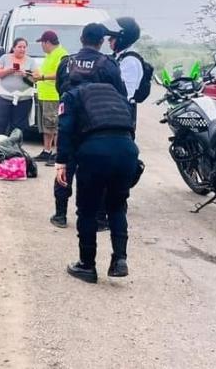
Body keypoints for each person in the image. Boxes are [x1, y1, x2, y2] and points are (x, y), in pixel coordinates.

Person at [55, 80, 138, 283]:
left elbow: (64, 129)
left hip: (95, 152)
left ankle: (87, 265)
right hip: (127, 151)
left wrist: (62, 162)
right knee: (117, 206)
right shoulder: (116, 94)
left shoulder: (72, 95)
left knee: (88, 209)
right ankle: (119, 260)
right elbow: (131, 124)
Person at [50, 23, 126, 228]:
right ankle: (99, 218)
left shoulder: (66, 62)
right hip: (98, 128)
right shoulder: (108, 64)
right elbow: (120, 95)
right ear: (101, 42)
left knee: (64, 165)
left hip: (71, 125)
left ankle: (60, 215)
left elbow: (60, 90)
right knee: (99, 171)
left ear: (82, 38)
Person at [31, 30, 68, 165]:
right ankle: (46, 151)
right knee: (46, 126)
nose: (41, 46)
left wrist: (42, 77)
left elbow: (61, 74)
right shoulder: (49, 55)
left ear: (47, 42)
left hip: (53, 96)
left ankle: (57, 153)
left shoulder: (61, 54)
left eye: (42, 43)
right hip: (44, 95)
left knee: (55, 125)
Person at [0, 38, 38, 137]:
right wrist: (8, 71)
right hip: (4, 96)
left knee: (18, 127)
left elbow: (36, 78)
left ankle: (14, 149)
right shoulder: (5, 58)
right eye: (19, 47)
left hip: (24, 98)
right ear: (13, 47)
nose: (22, 49)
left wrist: (25, 74)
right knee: (0, 124)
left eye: (24, 47)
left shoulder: (31, 61)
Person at [108, 16, 143, 127]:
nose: (109, 40)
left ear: (122, 39)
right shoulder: (119, 57)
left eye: (113, 37)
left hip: (121, 113)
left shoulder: (130, 61)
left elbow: (125, 93)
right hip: (113, 110)